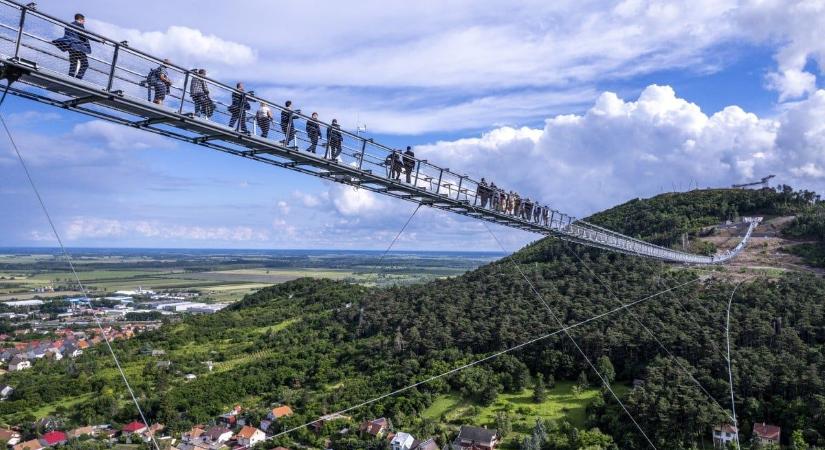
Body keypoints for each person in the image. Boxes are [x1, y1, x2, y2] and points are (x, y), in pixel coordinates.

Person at [52, 13, 91, 79]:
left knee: (73, 63)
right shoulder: (79, 25)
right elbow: (84, 36)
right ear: (81, 19)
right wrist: (99, 40)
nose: (84, 22)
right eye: (84, 20)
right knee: (85, 64)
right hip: (78, 47)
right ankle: (78, 78)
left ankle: (70, 77)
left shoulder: (69, 25)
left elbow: (68, 36)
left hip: (70, 46)